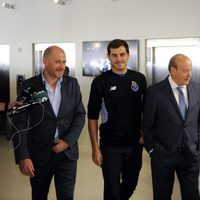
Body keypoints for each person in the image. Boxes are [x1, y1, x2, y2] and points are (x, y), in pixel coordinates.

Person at [11, 45, 86, 200]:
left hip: (67, 154)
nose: (62, 66)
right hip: (39, 154)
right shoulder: (29, 86)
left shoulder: (72, 84)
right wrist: (23, 155)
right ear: (45, 62)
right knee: (39, 195)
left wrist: (67, 141)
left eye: (64, 61)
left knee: (66, 196)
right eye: (57, 61)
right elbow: (20, 123)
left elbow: (80, 115)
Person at [87, 39, 147, 200]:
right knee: (112, 190)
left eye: (122, 54)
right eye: (114, 55)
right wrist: (95, 147)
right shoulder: (100, 82)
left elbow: (144, 111)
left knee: (130, 184)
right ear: (108, 56)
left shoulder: (140, 79)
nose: (119, 59)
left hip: (135, 145)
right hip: (110, 146)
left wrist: (143, 135)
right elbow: (92, 117)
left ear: (128, 55)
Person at [143, 54, 200, 200]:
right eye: (185, 70)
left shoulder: (196, 89)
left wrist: (197, 146)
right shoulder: (155, 92)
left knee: (192, 195)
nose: (189, 74)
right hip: (163, 156)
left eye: (190, 70)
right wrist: (152, 149)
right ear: (172, 71)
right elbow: (147, 124)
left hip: (190, 155)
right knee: (162, 196)